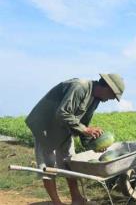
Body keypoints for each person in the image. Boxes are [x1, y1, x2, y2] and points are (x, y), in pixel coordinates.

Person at [25, 73, 125, 205]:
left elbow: (84, 123)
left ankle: (76, 198)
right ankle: (56, 202)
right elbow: (62, 113)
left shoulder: (96, 100)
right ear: (107, 87)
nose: (111, 99)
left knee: (69, 163)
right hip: (45, 126)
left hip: (64, 128)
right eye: (112, 96)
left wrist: (92, 145)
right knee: (48, 165)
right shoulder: (80, 87)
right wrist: (85, 130)